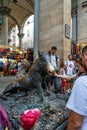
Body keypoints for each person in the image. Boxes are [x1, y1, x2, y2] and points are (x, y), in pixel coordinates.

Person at [66, 45, 87, 130]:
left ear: (85, 57)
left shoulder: (82, 82)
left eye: (78, 66)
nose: (77, 68)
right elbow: (69, 77)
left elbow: (75, 123)